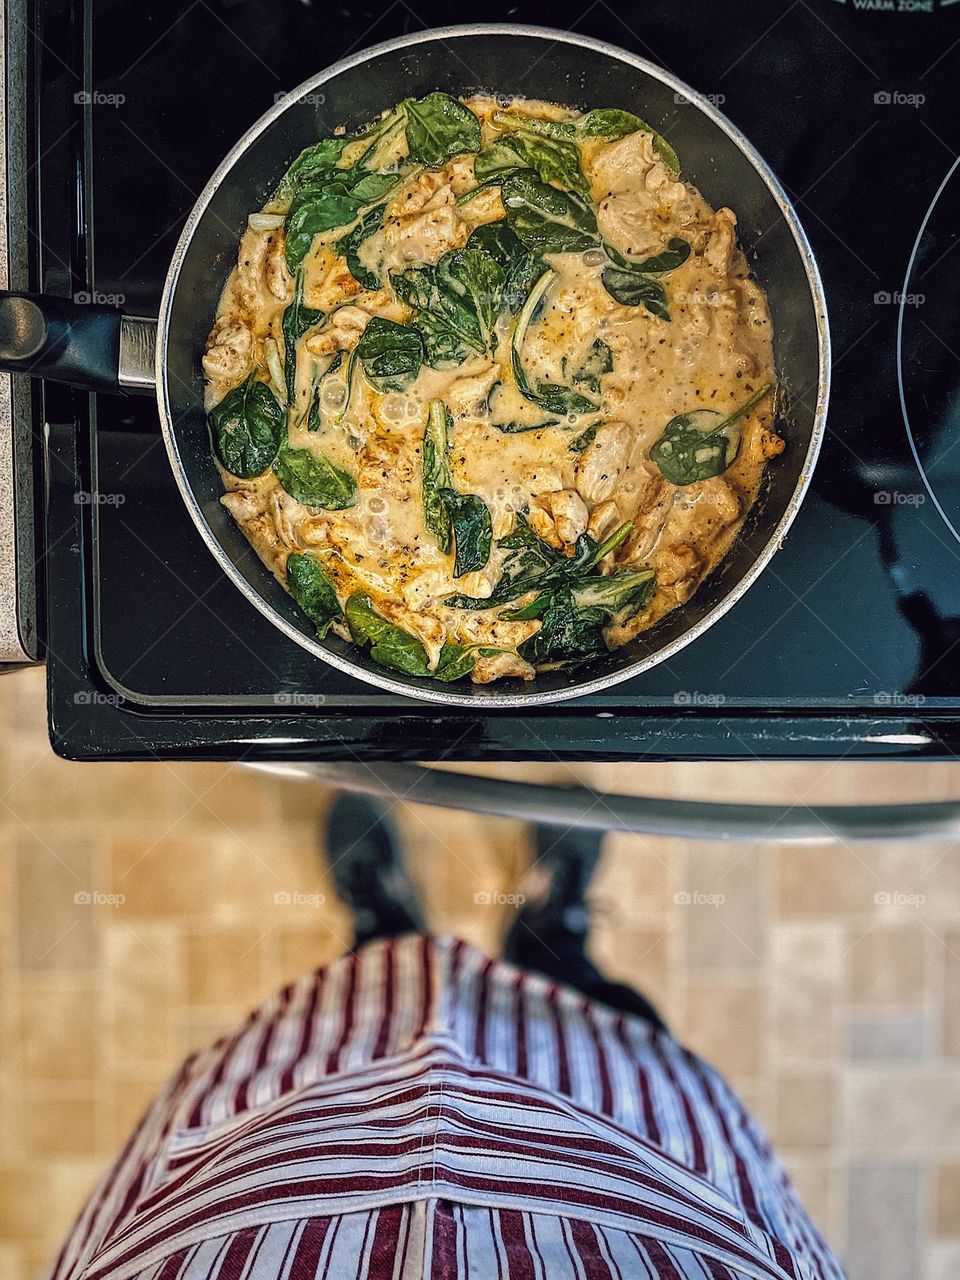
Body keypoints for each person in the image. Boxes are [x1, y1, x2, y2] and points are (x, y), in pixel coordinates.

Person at [50, 796, 845, 1280]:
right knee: (585, 1004)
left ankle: (382, 922)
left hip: (273, 1149)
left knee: (363, 1003)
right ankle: (548, 926)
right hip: (634, 1156)